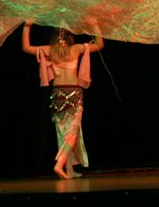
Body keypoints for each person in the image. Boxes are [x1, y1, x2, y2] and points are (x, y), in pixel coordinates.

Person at [21, 20, 104, 179]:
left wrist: (27, 26)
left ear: (54, 38)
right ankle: (59, 165)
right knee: (72, 133)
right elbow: (99, 45)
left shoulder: (50, 50)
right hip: (73, 94)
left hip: (57, 95)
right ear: (70, 37)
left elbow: (26, 47)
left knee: (62, 132)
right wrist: (95, 25)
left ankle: (69, 170)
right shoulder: (75, 49)